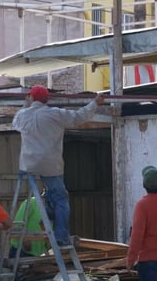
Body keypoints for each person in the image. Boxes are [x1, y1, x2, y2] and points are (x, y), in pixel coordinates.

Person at [12, 85, 104, 247]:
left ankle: (48, 213)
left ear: (31, 98)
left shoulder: (22, 115)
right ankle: (60, 236)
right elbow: (79, 116)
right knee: (61, 198)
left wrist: (26, 106)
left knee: (52, 196)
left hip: (28, 166)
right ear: (46, 100)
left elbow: (15, 123)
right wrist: (95, 103)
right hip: (51, 166)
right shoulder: (54, 114)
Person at [9, 194, 49, 258]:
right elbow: (18, 224)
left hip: (38, 254)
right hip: (21, 251)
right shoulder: (31, 202)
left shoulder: (56, 210)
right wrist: (25, 239)